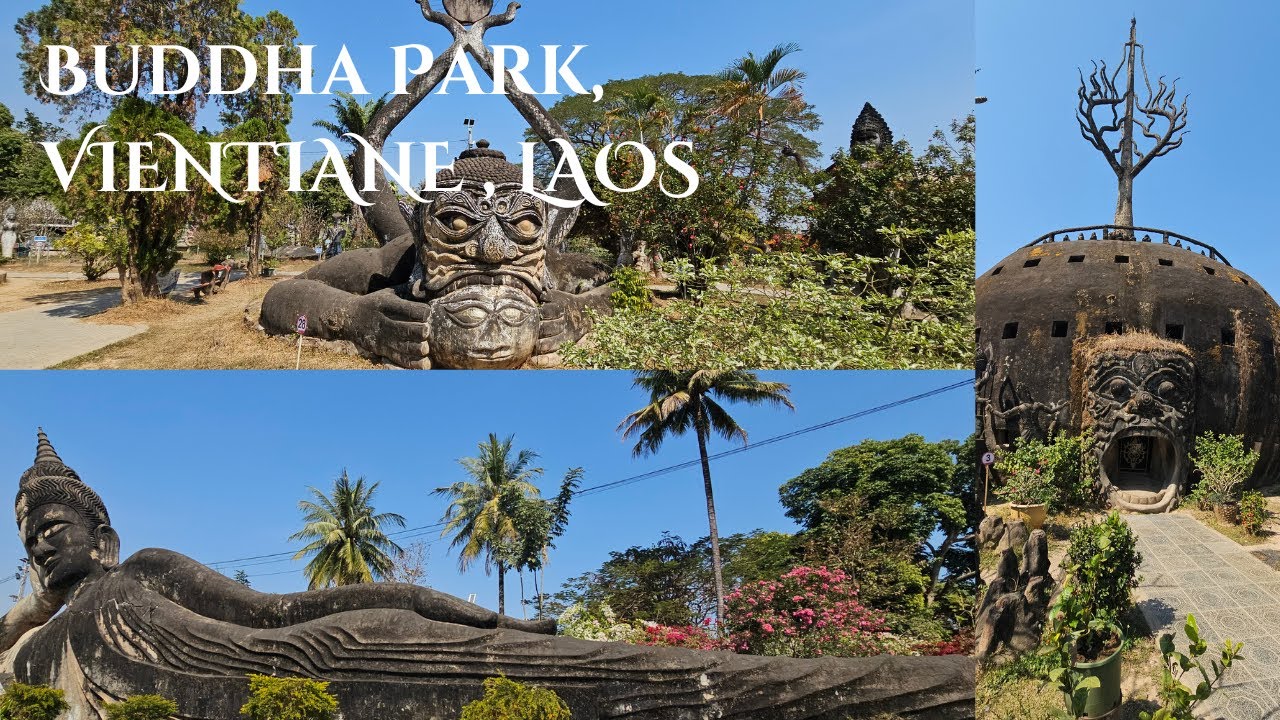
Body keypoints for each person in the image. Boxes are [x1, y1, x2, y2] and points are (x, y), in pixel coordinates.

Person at [2, 432, 973, 720]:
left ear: (104, 528)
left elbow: (278, 609)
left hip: (310, 659)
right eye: (30, 534)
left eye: (57, 524)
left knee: (621, 679)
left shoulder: (152, 569)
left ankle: (927, 689)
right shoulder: (25, 634)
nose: (45, 543)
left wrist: (436, 603)